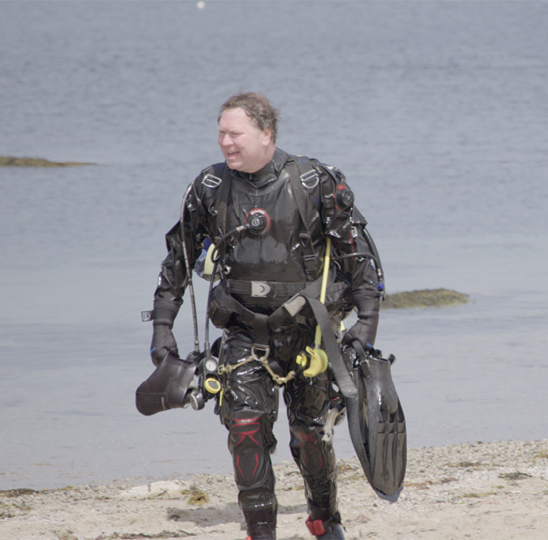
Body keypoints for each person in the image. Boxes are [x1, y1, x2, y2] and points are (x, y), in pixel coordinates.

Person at [148, 92, 382, 540]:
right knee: (245, 428)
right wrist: (163, 328)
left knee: (310, 434)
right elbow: (176, 261)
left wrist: (363, 331)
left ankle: (325, 519)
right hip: (242, 333)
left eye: (234, 133)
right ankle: (261, 532)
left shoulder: (315, 182)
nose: (225, 143)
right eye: (220, 133)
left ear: (266, 134)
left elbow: (362, 264)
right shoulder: (210, 189)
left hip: (310, 334)